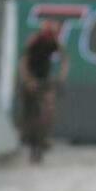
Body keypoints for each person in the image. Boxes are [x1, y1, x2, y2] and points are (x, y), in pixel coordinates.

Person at [18, 20, 69, 162]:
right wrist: (28, 80)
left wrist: (61, 77)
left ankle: (45, 135)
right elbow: (23, 62)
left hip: (45, 79)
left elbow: (65, 59)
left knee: (49, 107)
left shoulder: (54, 42)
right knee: (27, 109)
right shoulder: (35, 41)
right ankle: (26, 133)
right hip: (30, 77)